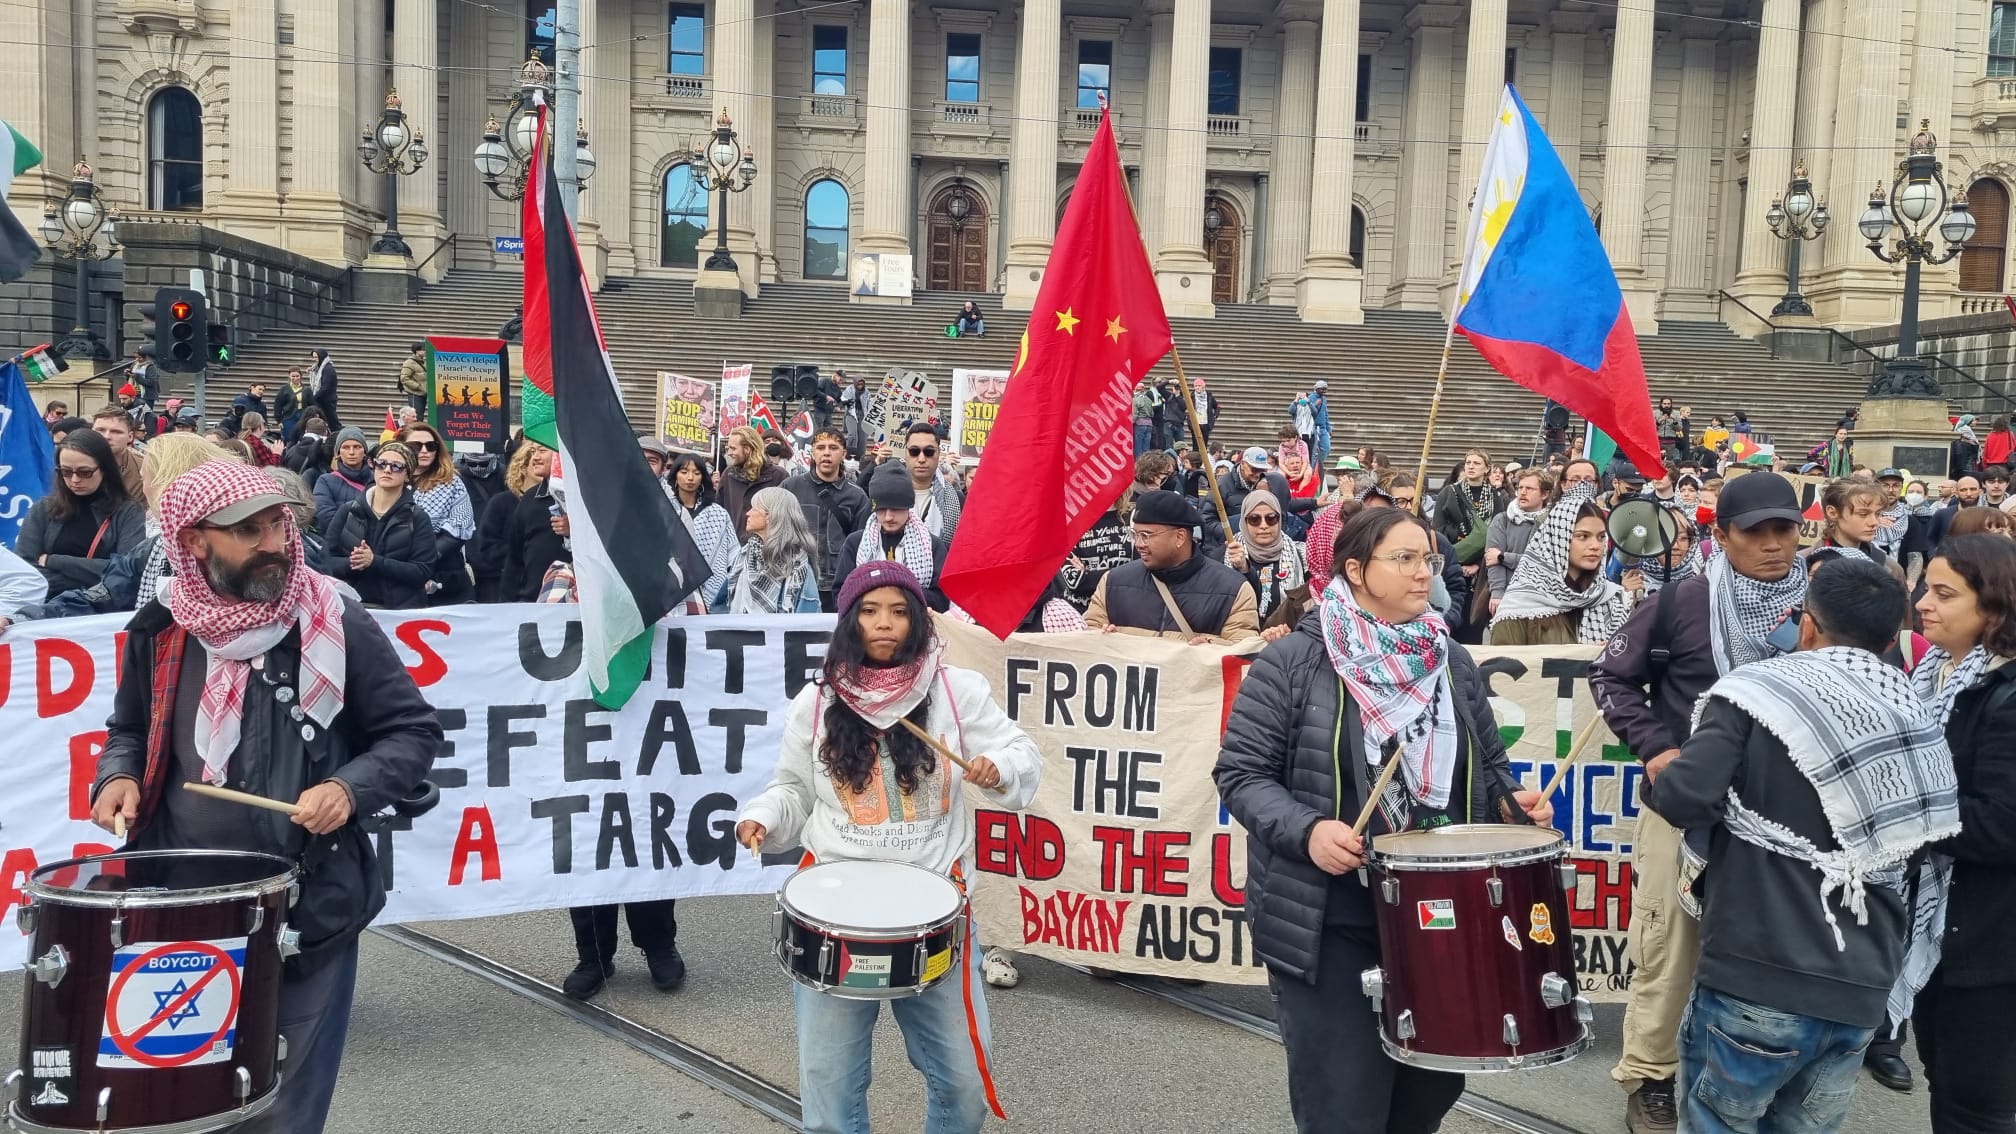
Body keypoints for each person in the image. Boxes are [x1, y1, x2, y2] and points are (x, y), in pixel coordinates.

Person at [89, 459, 439, 1134]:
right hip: (180, 904)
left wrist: (348, 787)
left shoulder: (337, 619)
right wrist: (119, 776)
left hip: (307, 906)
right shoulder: (160, 631)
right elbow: (127, 730)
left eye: (278, 522)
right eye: (247, 531)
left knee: (281, 1111)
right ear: (194, 543)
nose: (274, 541)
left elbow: (411, 731)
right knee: (181, 1099)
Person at [1215, 505, 1551, 1134]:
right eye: (1404, 559)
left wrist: (1511, 805)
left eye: (1429, 558)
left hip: (1440, 917)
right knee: (1346, 1107)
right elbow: (1240, 776)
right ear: (1355, 569)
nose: (1424, 572)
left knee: (1428, 1093)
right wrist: (1308, 831)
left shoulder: (1449, 661)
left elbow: (1490, 767)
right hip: (1330, 920)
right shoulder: (1293, 662)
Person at [1653, 557, 1955, 1134]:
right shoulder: (1912, 715)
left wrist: (1663, 774)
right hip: (1861, 986)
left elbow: (1686, 797)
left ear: (1807, 626)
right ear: (1892, 639)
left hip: (1756, 971)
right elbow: (1919, 840)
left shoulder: (1757, 694)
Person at [736, 560, 1039, 1134]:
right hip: (836, 918)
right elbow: (792, 790)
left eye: (900, 612)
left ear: (918, 623)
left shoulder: (957, 691)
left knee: (963, 1084)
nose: (885, 624)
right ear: (851, 621)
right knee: (829, 1087)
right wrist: (761, 817)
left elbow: (1022, 754)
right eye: (871, 611)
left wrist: (997, 766)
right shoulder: (818, 701)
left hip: (936, 914)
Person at [1591, 471, 1807, 1134]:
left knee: (1774, 948)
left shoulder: (1821, 603)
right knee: (1669, 943)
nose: (1773, 546)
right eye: (1755, 532)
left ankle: (1754, 1072)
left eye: (1785, 530)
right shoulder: (1683, 601)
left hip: (1788, 813)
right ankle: (1650, 1077)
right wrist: (1657, 748)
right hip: (1685, 807)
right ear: (1721, 536)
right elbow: (1611, 676)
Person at [1911, 534, 2016, 1134]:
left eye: (1945, 593)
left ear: (1994, 608)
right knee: (1945, 1079)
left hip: (1990, 940)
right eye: (1926, 587)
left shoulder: (2006, 694)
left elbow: (2003, 824)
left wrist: (1902, 816)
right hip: (1938, 929)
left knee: (1974, 1104)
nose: (1923, 602)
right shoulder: (1932, 673)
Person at [1085, 489, 1258, 643]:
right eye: (1134, 534)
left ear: (1180, 537)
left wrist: (1211, 648)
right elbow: (1087, 638)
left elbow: (1242, 656)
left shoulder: (1233, 589)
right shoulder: (1112, 582)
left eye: (1146, 535)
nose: (1138, 544)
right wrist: (1102, 639)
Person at [1488, 487, 1635, 645]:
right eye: (1583, 536)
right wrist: (1582, 658)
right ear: (1558, 538)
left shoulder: (1610, 598)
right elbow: (1505, 667)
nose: (1595, 546)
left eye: (1601, 537)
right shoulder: (1520, 606)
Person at [16, 428, 148, 597]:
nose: (75, 480)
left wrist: (54, 561)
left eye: (85, 472)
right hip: (44, 609)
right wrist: (88, 578)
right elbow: (23, 569)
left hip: (100, 613)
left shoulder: (128, 511)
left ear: (105, 469)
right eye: (66, 472)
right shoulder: (43, 509)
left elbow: (128, 571)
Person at [315, 441, 438, 610]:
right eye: (381, 464)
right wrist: (353, 562)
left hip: (399, 611)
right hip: (354, 609)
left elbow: (422, 571)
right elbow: (325, 561)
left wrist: (375, 562)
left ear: (407, 475)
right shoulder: (349, 510)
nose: (387, 470)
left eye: (396, 466)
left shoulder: (418, 517)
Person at [785, 429, 873, 611]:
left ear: (844, 454)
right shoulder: (790, 487)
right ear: (812, 452)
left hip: (839, 584)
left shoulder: (857, 496)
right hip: (796, 581)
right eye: (820, 447)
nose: (826, 452)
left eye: (833, 447)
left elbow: (863, 543)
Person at [843, 463, 951, 610]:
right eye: (881, 509)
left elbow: (942, 601)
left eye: (895, 509)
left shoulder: (932, 546)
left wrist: (899, 591)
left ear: (908, 506)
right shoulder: (855, 543)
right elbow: (841, 595)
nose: (888, 517)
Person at [398, 422, 476, 605]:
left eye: (430, 446)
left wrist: (427, 554)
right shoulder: (390, 481)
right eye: (416, 446)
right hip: (401, 571)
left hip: (447, 575)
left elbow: (460, 526)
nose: (424, 451)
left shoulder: (452, 482)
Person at [714, 486, 820, 614]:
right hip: (736, 633)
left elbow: (808, 620)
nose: (748, 513)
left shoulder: (798, 566)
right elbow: (720, 606)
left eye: (754, 508)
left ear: (770, 515)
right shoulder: (744, 556)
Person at [497, 443, 571, 604]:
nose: (535, 457)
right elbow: (515, 558)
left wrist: (573, 532)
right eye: (533, 451)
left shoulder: (584, 497)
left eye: (543, 451)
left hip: (574, 604)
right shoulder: (530, 499)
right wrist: (507, 603)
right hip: (530, 600)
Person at [664, 451, 738, 611]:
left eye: (696, 473)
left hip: (712, 584)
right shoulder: (665, 510)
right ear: (675, 475)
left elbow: (733, 554)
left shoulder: (718, 513)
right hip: (672, 583)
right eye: (684, 472)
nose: (690, 478)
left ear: (703, 478)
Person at [1225, 490, 1306, 633]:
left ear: (1280, 520)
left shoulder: (1301, 555)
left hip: (1286, 642)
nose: (1263, 526)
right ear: (1244, 522)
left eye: (1271, 518)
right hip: (1243, 643)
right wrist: (1243, 569)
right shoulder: (1227, 555)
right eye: (1254, 519)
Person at [1486, 467, 1552, 616]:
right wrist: (1497, 592)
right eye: (1520, 487)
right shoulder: (1502, 519)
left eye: (1529, 488)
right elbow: (1491, 558)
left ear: (1544, 494)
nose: (1522, 492)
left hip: (1542, 598)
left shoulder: (1551, 522)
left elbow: (1543, 563)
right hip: (1507, 597)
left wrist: (1503, 557)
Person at [892, 422, 964, 541]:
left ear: (939, 453)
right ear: (905, 453)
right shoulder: (887, 494)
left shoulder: (957, 500)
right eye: (914, 451)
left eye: (929, 452)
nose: (921, 459)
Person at [720, 424, 789, 540]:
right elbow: (719, 513)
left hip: (769, 550)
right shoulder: (728, 475)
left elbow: (786, 519)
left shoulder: (780, 476)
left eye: (733, 448)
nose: (729, 453)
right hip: (734, 550)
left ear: (747, 449)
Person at [1815, 477, 1889, 564]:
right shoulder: (1805, 564)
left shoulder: (1889, 567)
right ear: (1833, 513)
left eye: (1878, 514)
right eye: (1863, 514)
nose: (1874, 522)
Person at [312, 427, 373, 525]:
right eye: (345, 447)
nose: (351, 452)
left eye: (357, 447)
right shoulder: (326, 481)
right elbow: (326, 517)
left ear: (364, 451)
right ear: (338, 453)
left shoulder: (377, 479)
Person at [92, 404, 148, 499]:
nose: (106, 436)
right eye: (100, 430)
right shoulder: (73, 462)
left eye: (116, 432)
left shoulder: (144, 468)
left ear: (130, 437)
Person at [307, 348, 341, 429]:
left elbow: (325, 387)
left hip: (327, 401)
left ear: (321, 356)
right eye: (314, 357)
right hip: (322, 400)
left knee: (332, 422)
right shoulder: (320, 367)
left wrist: (314, 397)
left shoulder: (328, 369)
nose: (314, 360)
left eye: (316, 357)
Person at [276, 368, 307, 441]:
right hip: (288, 417)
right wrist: (279, 420)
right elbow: (278, 405)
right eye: (293, 376)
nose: (295, 378)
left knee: (301, 438)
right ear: (289, 377)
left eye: (297, 376)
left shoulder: (306, 389)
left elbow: (312, 404)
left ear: (301, 376)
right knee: (288, 438)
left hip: (302, 417)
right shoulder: (284, 389)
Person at [398, 342, 428, 415]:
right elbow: (404, 378)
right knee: (416, 417)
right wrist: (418, 386)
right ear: (417, 351)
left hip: (424, 393)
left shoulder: (425, 362)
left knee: (420, 416)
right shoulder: (409, 363)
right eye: (424, 349)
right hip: (415, 394)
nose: (426, 351)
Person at [1190, 377, 1221, 444]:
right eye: (1196, 386)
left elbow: (1217, 406)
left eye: (1199, 386)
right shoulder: (1191, 396)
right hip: (1195, 423)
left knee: (1204, 442)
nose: (1197, 387)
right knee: (1195, 443)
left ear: (1203, 387)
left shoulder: (1209, 396)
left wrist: (1215, 416)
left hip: (1205, 423)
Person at [1952, 414, 1982, 480]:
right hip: (1967, 458)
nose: (1976, 422)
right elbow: (1972, 442)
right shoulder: (1965, 429)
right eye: (1973, 420)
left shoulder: (1965, 429)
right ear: (1968, 421)